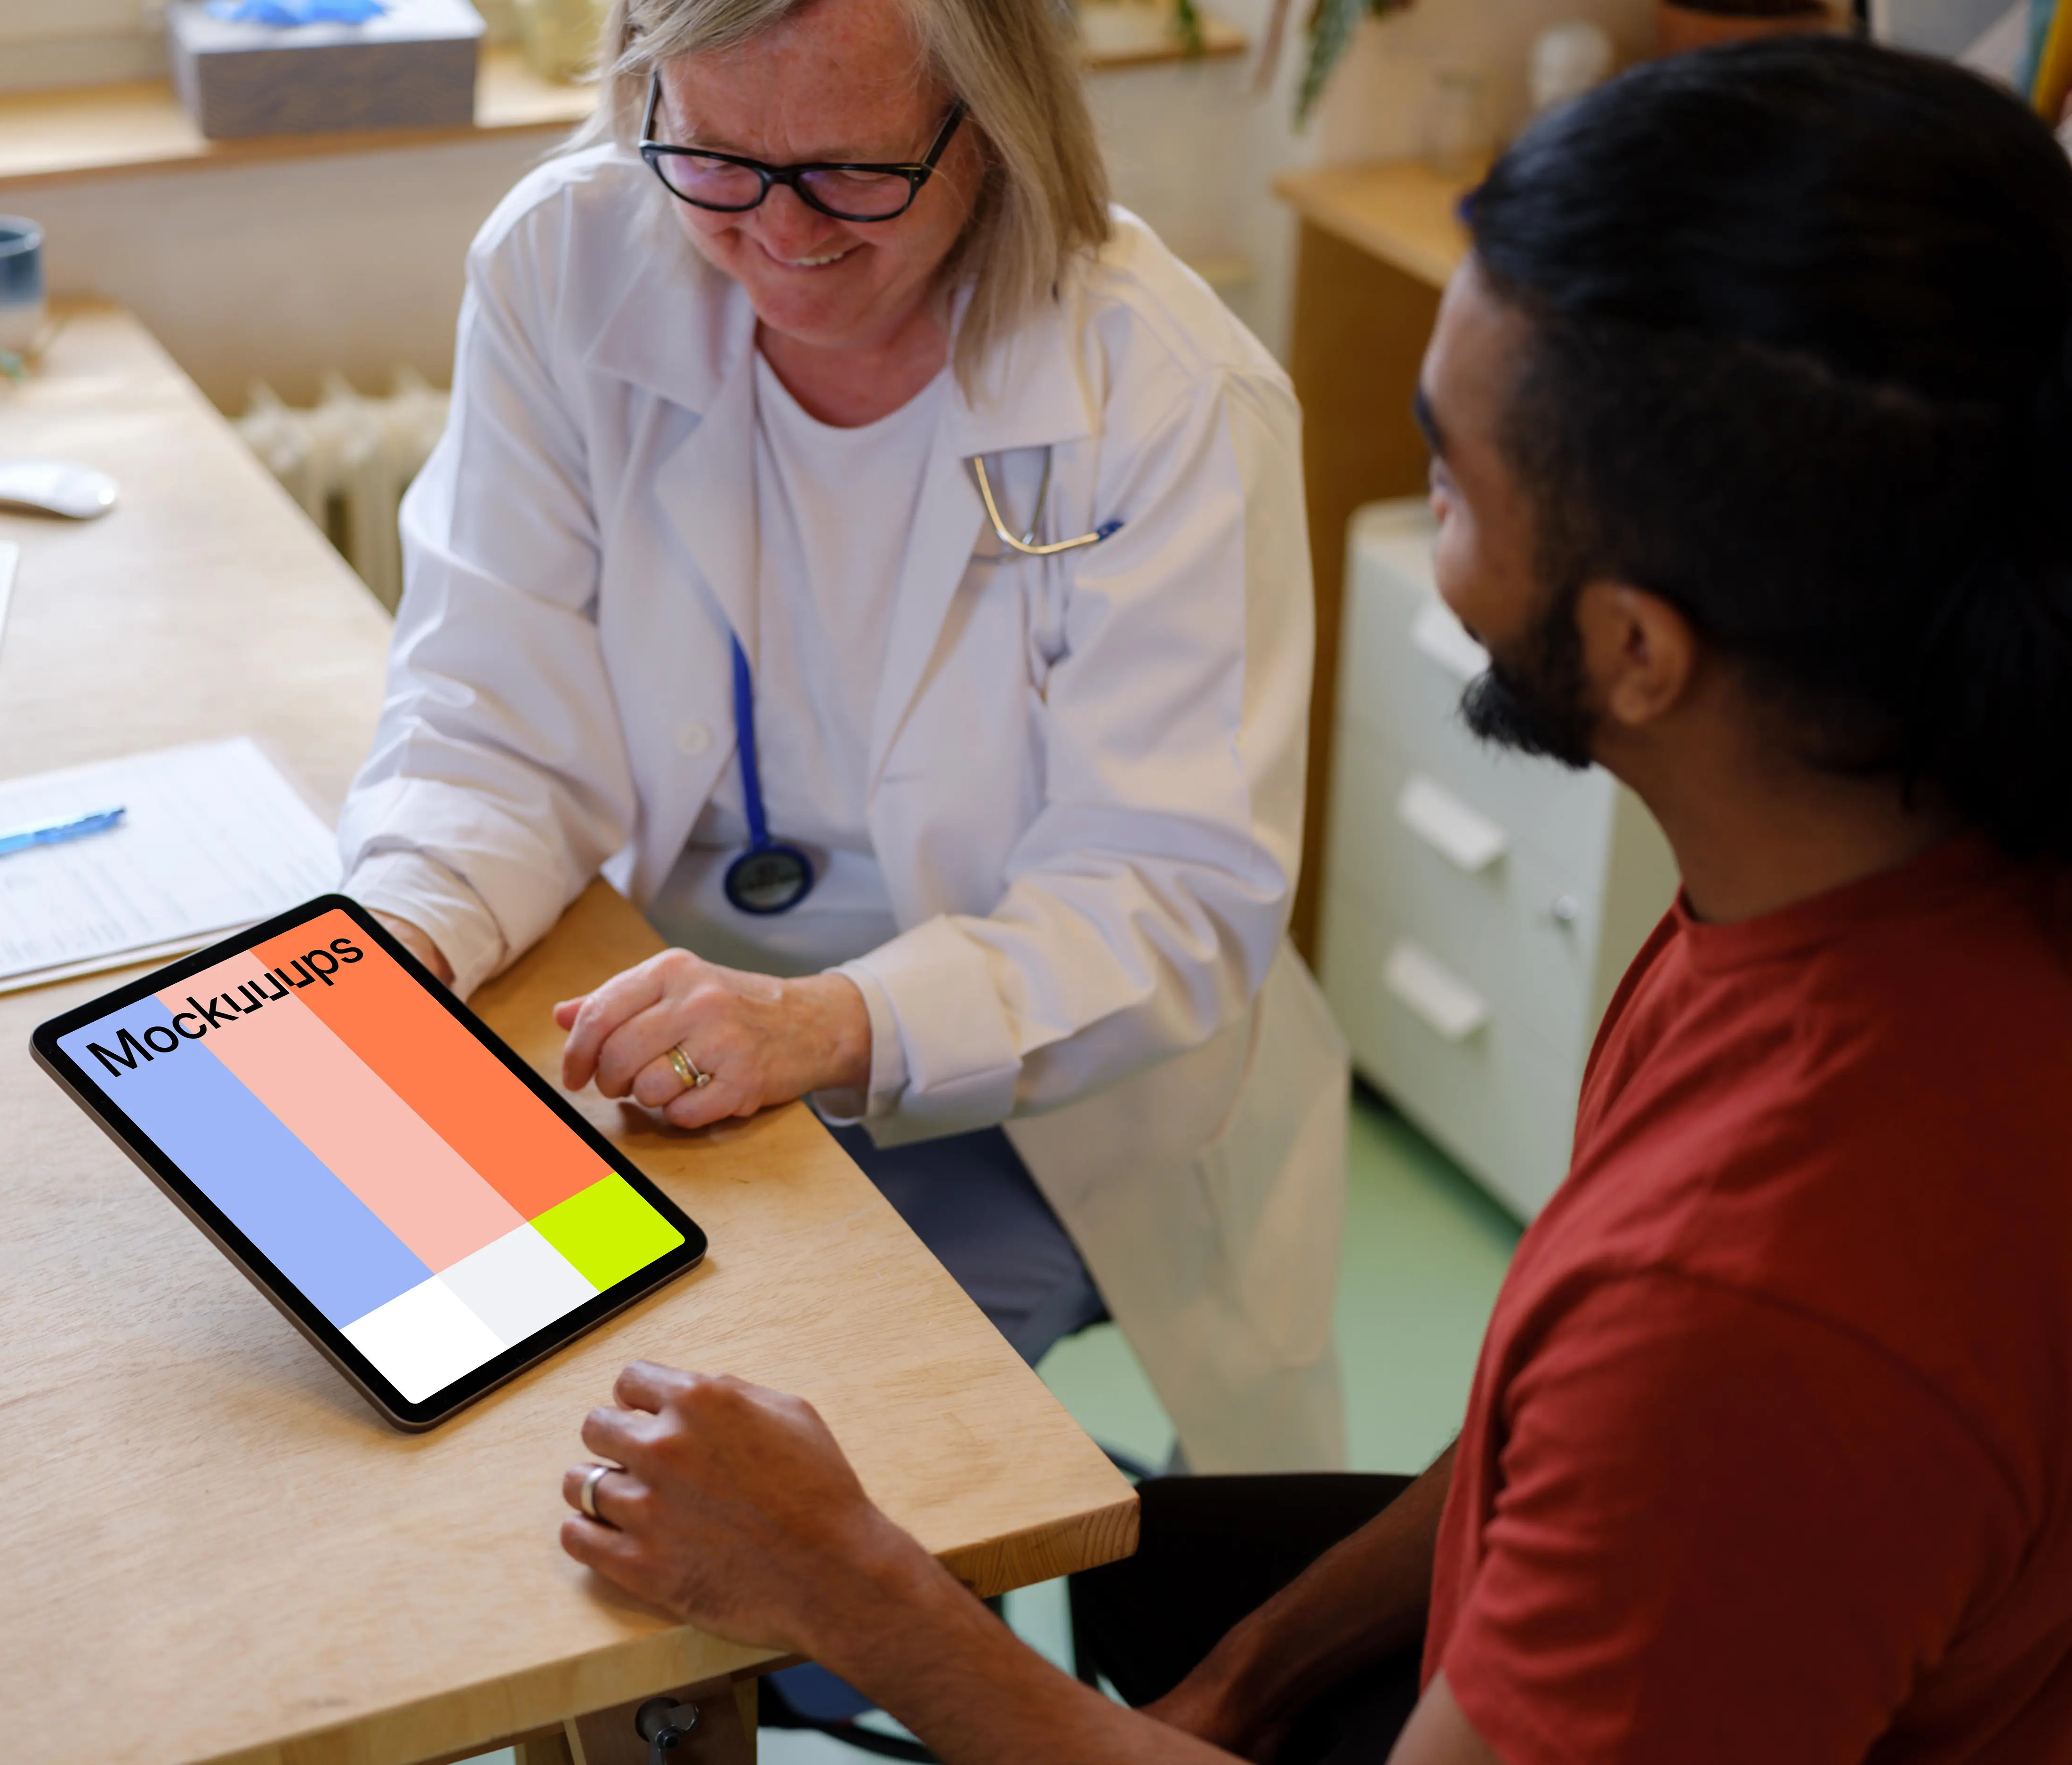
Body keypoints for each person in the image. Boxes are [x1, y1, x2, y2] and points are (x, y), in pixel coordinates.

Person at [549, 36, 2072, 1765]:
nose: (1418, 508)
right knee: (1154, 1587)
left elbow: (1663, 1409)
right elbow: (1533, 1434)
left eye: (1448, 476)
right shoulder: (1856, 884)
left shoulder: (1763, 1315)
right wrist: (1244, 1684)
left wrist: (852, 1590)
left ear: (1640, 650)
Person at [337, 0, 1350, 1470]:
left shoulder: (1167, 393)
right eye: (713, 155)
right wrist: (402, 933)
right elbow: (491, 709)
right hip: (673, 1015)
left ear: (997, 124)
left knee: (772, 1526)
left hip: (1047, 1085)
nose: (777, 230)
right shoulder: (566, 266)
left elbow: (1168, 889)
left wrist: (824, 1024)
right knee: (477, 1414)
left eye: (850, 171)